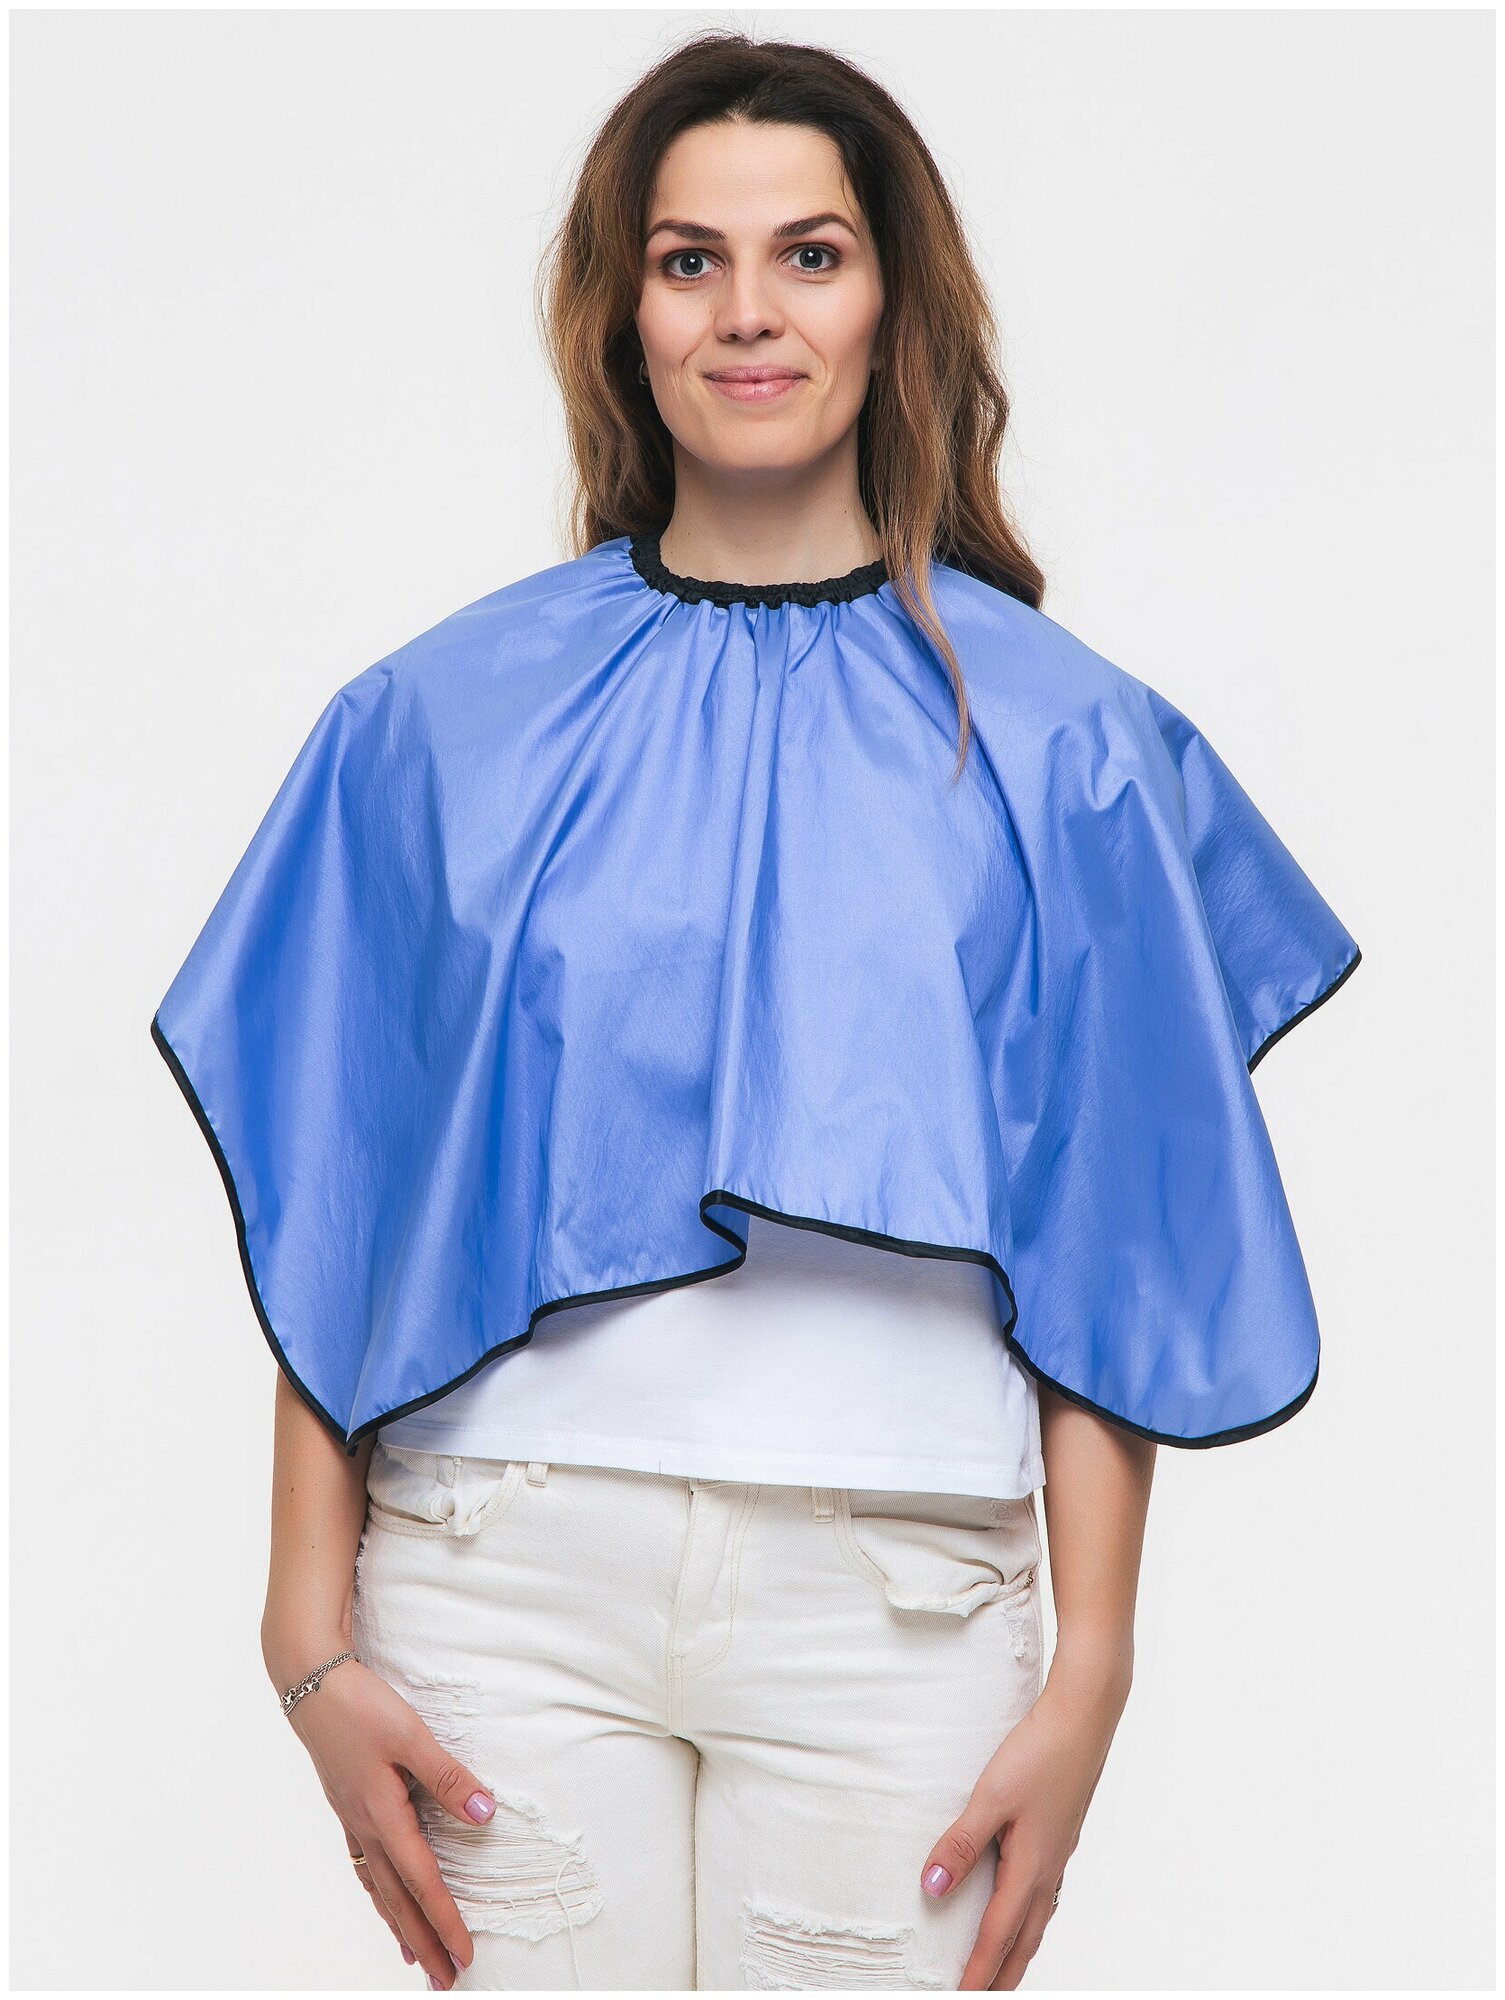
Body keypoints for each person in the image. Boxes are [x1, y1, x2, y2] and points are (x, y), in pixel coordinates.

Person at [149, 32, 1362, 1994]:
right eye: (686, 260)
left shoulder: (1063, 741)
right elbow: (346, 1173)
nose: (747, 313)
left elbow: (1114, 1234)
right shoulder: (446, 720)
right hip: (498, 1569)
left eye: (809, 253)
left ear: (893, 301)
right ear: (623, 315)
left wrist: (1096, 1670)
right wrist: (304, 1633)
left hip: (899, 1595)